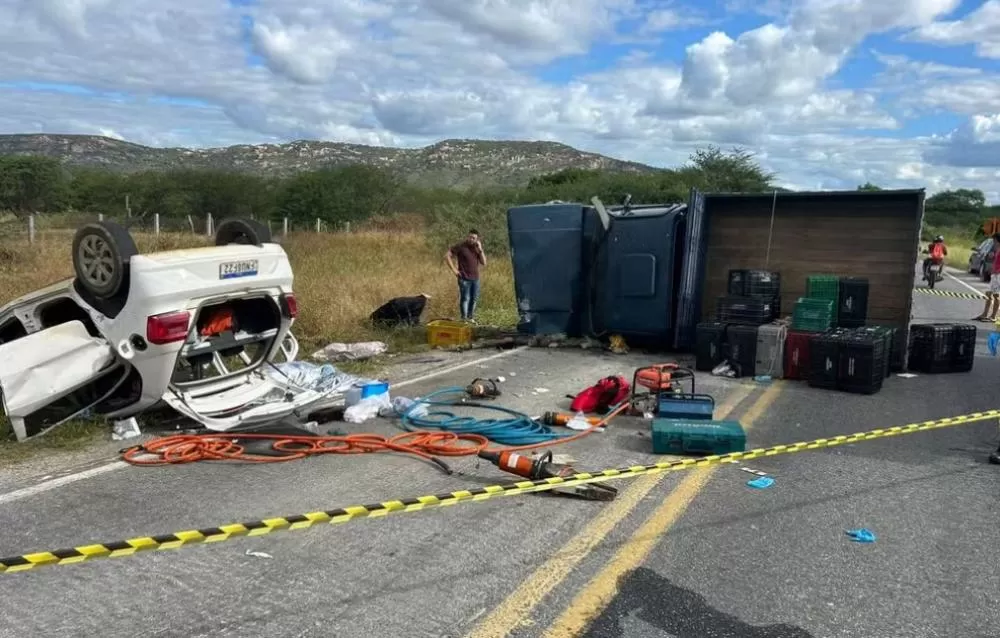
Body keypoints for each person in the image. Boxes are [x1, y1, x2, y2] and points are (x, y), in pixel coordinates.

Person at [445, 229, 486, 322]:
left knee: (474, 298)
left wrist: (480, 249)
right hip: (464, 278)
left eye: (474, 238)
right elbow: (447, 256)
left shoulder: (477, 248)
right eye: (470, 237)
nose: (471, 239)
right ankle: (464, 319)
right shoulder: (461, 246)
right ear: (467, 236)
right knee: (465, 299)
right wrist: (454, 270)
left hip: (475, 278)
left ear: (477, 239)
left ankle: (470, 317)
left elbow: (484, 262)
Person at [975, 233, 1000, 322]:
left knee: (996, 295)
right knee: (988, 294)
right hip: (994, 274)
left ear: (997, 240)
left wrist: (997, 271)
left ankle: (993, 316)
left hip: (998, 275)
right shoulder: (997, 249)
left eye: (994, 240)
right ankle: (985, 314)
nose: (993, 242)